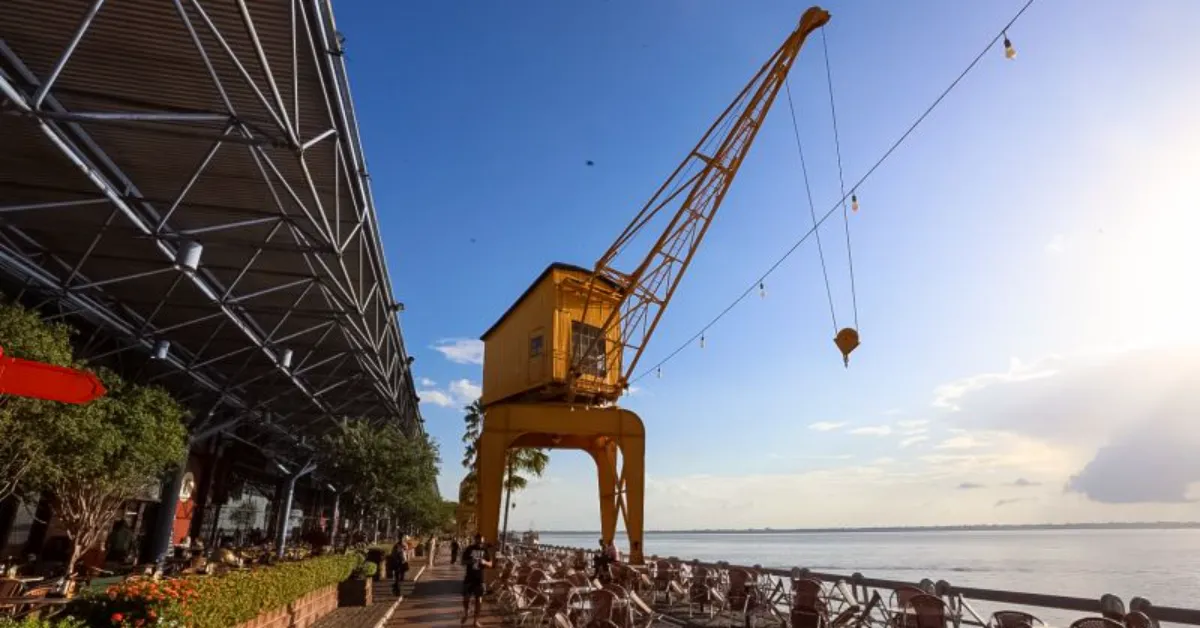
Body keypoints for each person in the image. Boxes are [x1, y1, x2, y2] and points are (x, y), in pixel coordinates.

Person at [460, 534, 492, 626]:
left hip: (479, 578)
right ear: (475, 540)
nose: (480, 544)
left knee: (479, 600)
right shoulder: (469, 549)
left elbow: (491, 564)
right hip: (469, 577)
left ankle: (475, 621)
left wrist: (484, 562)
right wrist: (471, 561)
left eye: (482, 542)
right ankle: (466, 613)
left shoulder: (485, 550)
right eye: (478, 542)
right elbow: (462, 562)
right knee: (466, 599)